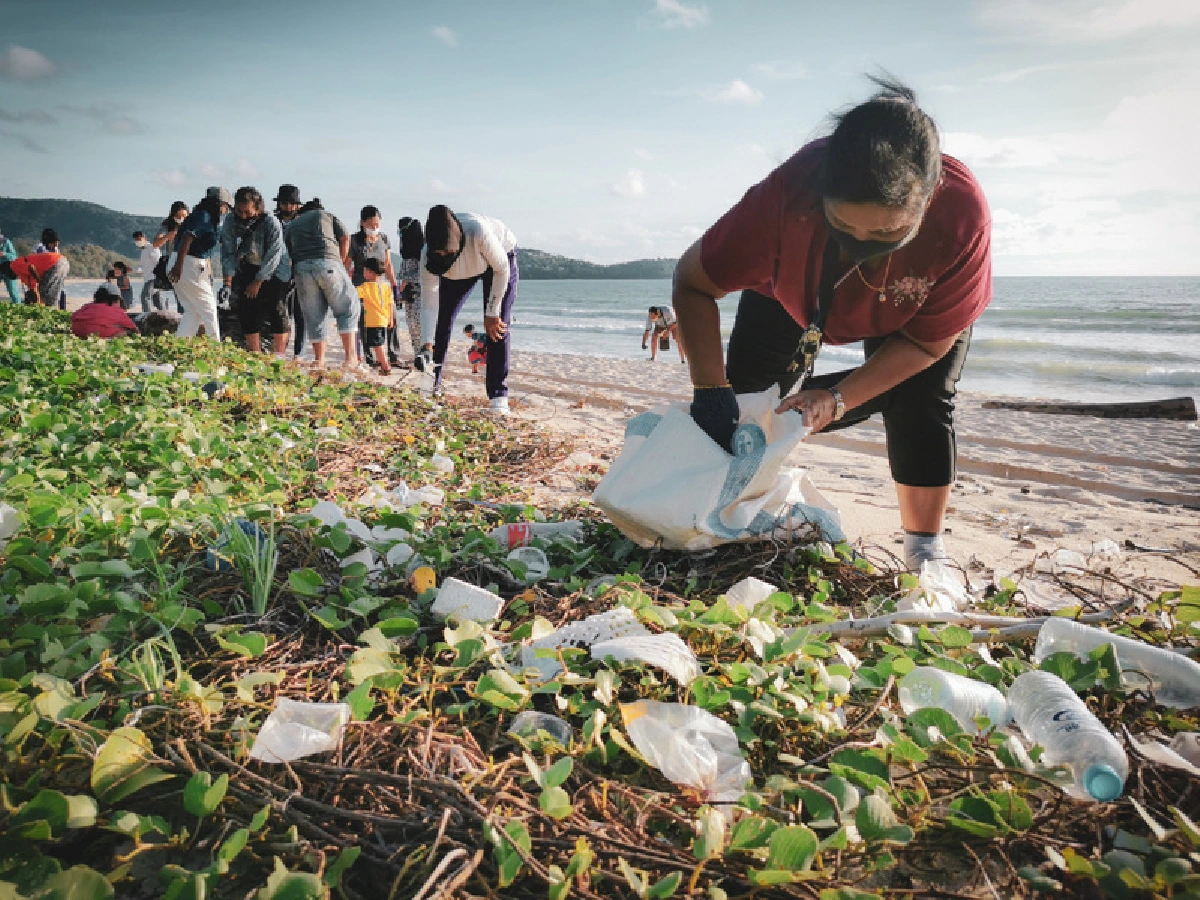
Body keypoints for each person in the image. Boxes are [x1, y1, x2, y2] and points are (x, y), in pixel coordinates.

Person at [673, 77, 992, 571]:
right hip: (785, 294)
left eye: (886, 231)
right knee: (747, 408)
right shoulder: (786, 196)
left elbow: (928, 347)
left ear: (928, 199)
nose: (861, 242)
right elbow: (693, 282)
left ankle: (925, 553)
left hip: (910, 319)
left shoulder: (960, 216)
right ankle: (720, 520)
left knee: (920, 401)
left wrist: (839, 397)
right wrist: (711, 390)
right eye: (844, 226)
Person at [419, 206, 519, 413]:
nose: (444, 255)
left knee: (497, 325)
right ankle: (431, 387)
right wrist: (426, 344)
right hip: (460, 272)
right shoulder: (427, 258)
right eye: (440, 254)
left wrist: (491, 312)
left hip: (497, 262)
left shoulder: (477, 232)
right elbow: (430, 305)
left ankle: (498, 398)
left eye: (448, 252)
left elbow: (502, 270)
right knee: (441, 322)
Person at [283, 196, 360, 370]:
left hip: (301, 269)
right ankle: (350, 358)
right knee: (347, 307)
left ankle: (320, 360)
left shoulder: (292, 225)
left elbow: (287, 250)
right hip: (327, 262)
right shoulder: (324, 215)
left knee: (314, 315)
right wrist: (339, 262)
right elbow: (345, 237)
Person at [219, 186, 292, 356]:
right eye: (239, 211)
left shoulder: (271, 222)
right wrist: (227, 283)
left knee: (276, 308)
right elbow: (228, 252)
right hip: (248, 264)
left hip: (276, 269)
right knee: (247, 309)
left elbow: (274, 254)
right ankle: (255, 354)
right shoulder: (231, 220)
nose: (243, 215)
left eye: (247, 212)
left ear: (258, 208)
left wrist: (258, 281)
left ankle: (279, 355)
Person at [167, 186, 232, 341]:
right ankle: (216, 347)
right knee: (209, 309)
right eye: (226, 207)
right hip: (188, 263)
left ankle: (181, 343)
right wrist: (179, 266)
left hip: (184, 262)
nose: (226, 211)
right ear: (219, 204)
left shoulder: (203, 216)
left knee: (192, 310)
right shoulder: (204, 217)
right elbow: (187, 239)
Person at [348, 205, 401, 367]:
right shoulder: (355, 240)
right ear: (362, 223)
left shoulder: (384, 239)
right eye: (371, 224)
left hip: (381, 287)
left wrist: (394, 285)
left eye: (377, 224)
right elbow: (347, 263)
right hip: (361, 287)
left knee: (391, 320)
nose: (374, 227)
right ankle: (369, 357)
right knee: (364, 323)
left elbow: (388, 264)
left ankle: (392, 354)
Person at [272, 185, 304, 357]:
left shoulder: (302, 220)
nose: (288, 207)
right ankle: (280, 350)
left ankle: (299, 352)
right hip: (277, 271)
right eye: (284, 203)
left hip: (299, 270)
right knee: (281, 312)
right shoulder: (273, 219)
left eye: (292, 203)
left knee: (300, 314)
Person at [357, 258, 395, 374]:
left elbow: (353, 293)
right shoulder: (386, 286)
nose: (363, 273)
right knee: (380, 342)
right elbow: (390, 304)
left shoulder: (366, 286)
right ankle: (380, 362)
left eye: (365, 270)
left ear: (370, 272)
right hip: (383, 320)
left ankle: (385, 366)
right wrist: (390, 319)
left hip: (372, 321)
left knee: (377, 345)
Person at [396, 216, 424, 360]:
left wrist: (406, 280)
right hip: (408, 294)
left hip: (421, 292)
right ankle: (417, 354)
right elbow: (402, 273)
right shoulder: (406, 255)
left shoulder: (422, 253)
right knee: (410, 324)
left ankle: (424, 353)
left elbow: (423, 276)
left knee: (417, 322)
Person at [0, 248, 68, 307]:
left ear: (7, 270)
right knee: (53, 295)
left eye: (5, 274)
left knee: (45, 295)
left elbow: (31, 267)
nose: (7, 277)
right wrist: (34, 297)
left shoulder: (14, 265)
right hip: (63, 262)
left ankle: (47, 314)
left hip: (54, 262)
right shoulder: (22, 274)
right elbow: (34, 288)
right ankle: (51, 314)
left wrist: (39, 280)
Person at [70, 283, 137, 338]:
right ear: (116, 299)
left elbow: (73, 317)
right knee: (125, 332)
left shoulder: (87, 306)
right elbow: (134, 329)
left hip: (79, 333)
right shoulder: (116, 310)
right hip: (101, 336)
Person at [31, 228, 69, 309]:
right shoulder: (39, 247)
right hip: (42, 275)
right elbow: (33, 261)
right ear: (50, 241)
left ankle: (62, 311)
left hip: (54, 275)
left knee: (61, 292)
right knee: (45, 295)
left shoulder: (55, 249)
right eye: (56, 241)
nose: (57, 244)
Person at [132, 230, 162, 312]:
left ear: (144, 238)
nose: (138, 241)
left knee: (145, 297)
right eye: (136, 240)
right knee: (157, 300)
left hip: (153, 278)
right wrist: (132, 269)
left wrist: (160, 278)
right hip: (148, 278)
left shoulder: (151, 247)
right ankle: (163, 315)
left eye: (139, 239)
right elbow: (144, 267)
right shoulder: (143, 251)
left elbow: (158, 262)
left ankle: (147, 315)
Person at [0, 229, 19, 303]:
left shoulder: (6, 241)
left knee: (13, 292)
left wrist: (4, 254)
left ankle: (18, 309)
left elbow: (14, 256)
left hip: (7, 269)